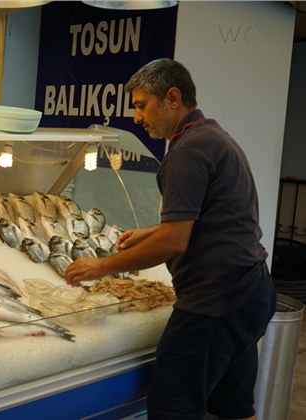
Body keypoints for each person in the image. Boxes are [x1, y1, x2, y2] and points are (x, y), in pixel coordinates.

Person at [64, 58, 276, 420]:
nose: (136, 118)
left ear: (173, 98)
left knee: (172, 407)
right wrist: (151, 230)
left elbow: (174, 243)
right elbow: (216, 215)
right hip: (253, 291)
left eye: (142, 105)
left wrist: (100, 267)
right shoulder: (214, 136)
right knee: (233, 407)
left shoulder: (189, 151)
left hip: (216, 303)